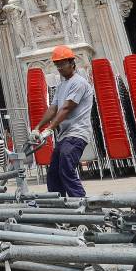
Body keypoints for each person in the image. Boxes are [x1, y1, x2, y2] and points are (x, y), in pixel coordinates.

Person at [30, 45, 94, 198]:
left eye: (62, 63)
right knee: (53, 173)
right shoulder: (61, 86)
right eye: (57, 64)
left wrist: (50, 129)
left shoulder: (78, 82)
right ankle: (57, 206)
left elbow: (66, 109)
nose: (59, 67)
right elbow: (53, 109)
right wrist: (38, 127)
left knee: (66, 169)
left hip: (77, 133)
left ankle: (82, 205)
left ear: (72, 63)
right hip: (65, 136)